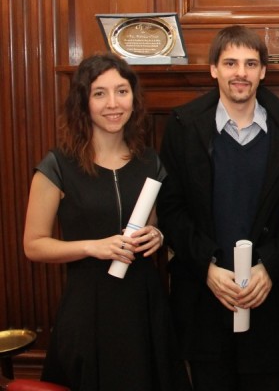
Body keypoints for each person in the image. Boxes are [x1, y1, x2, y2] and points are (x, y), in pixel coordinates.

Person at [156, 25, 279, 390]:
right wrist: (206, 268)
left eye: (250, 63)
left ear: (263, 71)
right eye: (230, 63)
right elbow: (171, 210)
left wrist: (270, 268)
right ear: (214, 69)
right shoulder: (183, 127)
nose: (240, 72)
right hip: (203, 299)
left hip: (270, 301)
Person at [23, 53, 187, 390]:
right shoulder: (58, 165)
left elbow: (154, 224)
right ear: (83, 102)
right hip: (89, 307)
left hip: (143, 305)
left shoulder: (148, 160)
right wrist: (93, 247)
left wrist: (157, 234)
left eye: (121, 91)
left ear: (133, 98)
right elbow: (33, 245)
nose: (113, 104)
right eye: (100, 93)